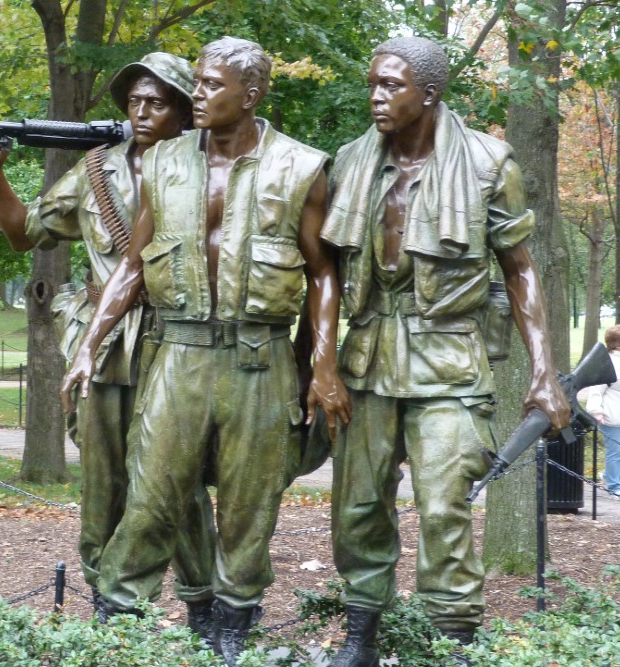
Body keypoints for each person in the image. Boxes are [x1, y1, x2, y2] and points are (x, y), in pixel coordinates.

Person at [61, 36, 351, 665]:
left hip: (260, 358)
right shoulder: (162, 163)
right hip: (180, 352)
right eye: (195, 81)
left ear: (250, 95)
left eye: (211, 85)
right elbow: (132, 267)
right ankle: (115, 622)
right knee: (152, 495)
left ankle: (231, 633)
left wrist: (322, 363)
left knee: (250, 507)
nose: (196, 94)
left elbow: (325, 274)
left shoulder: (300, 167)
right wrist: (90, 343)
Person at [320, 36, 571, 666]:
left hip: (449, 360)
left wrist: (545, 373)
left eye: (391, 86)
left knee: (443, 507)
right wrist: (319, 364)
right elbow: (321, 273)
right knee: (357, 506)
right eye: (372, 84)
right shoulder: (349, 162)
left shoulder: (490, 164)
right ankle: (360, 640)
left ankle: (451, 643)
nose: (376, 96)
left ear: (428, 93)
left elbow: (521, 270)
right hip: (368, 356)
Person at [0, 53, 218, 637]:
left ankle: (206, 605)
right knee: (104, 479)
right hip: (106, 348)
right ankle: (108, 610)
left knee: (175, 481)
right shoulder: (96, 172)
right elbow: (22, 233)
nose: (142, 111)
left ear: (186, 110)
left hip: (176, 339)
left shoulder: (211, 167)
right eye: (134, 100)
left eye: (158, 101)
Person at [587, 325, 620, 496]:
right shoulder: (607, 363)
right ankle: (615, 487)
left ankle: (608, 476)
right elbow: (596, 389)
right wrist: (596, 411)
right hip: (612, 416)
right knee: (616, 451)